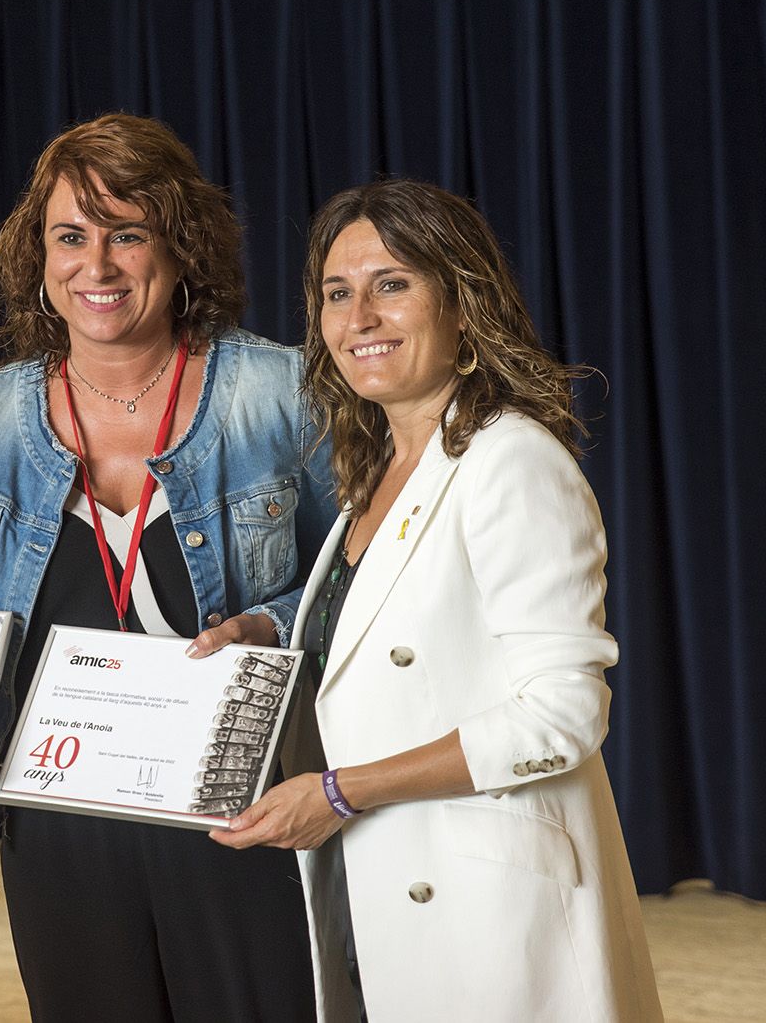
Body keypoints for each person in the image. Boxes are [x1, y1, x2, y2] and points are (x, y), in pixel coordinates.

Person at [212, 179, 663, 1021]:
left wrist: (342, 792)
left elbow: (564, 714)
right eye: (338, 295)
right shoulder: (376, 472)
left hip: (485, 905)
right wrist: (269, 628)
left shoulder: (511, 461)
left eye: (393, 284)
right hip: (382, 877)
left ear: (463, 302)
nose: (360, 318)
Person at [0, 112, 339, 1021]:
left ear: (181, 243)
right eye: (70, 236)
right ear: (36, 255)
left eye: (129, 233)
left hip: (238, 815)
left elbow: (354, 584)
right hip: (56, 822)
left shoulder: (281, 390)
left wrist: (267, 624)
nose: (99, 266)